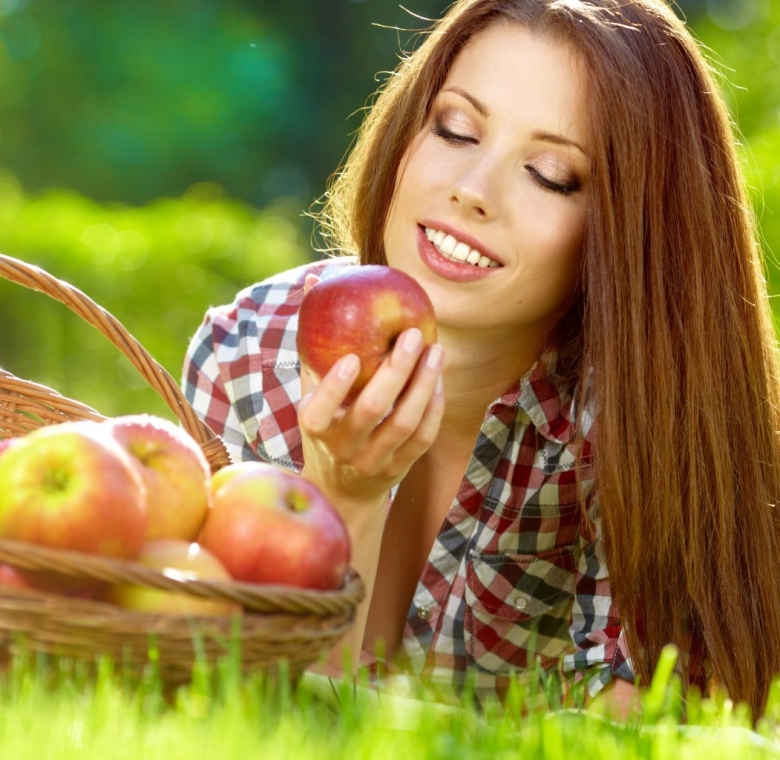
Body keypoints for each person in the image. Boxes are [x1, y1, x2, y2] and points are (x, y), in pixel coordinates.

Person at [182, 0, 780, 718]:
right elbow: (234, 709)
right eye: (456, 129)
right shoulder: (248, 354)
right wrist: (344, 502)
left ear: (627, 238)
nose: (473, 190)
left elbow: (633, 731)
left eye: (552, 174)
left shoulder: (644, 430)